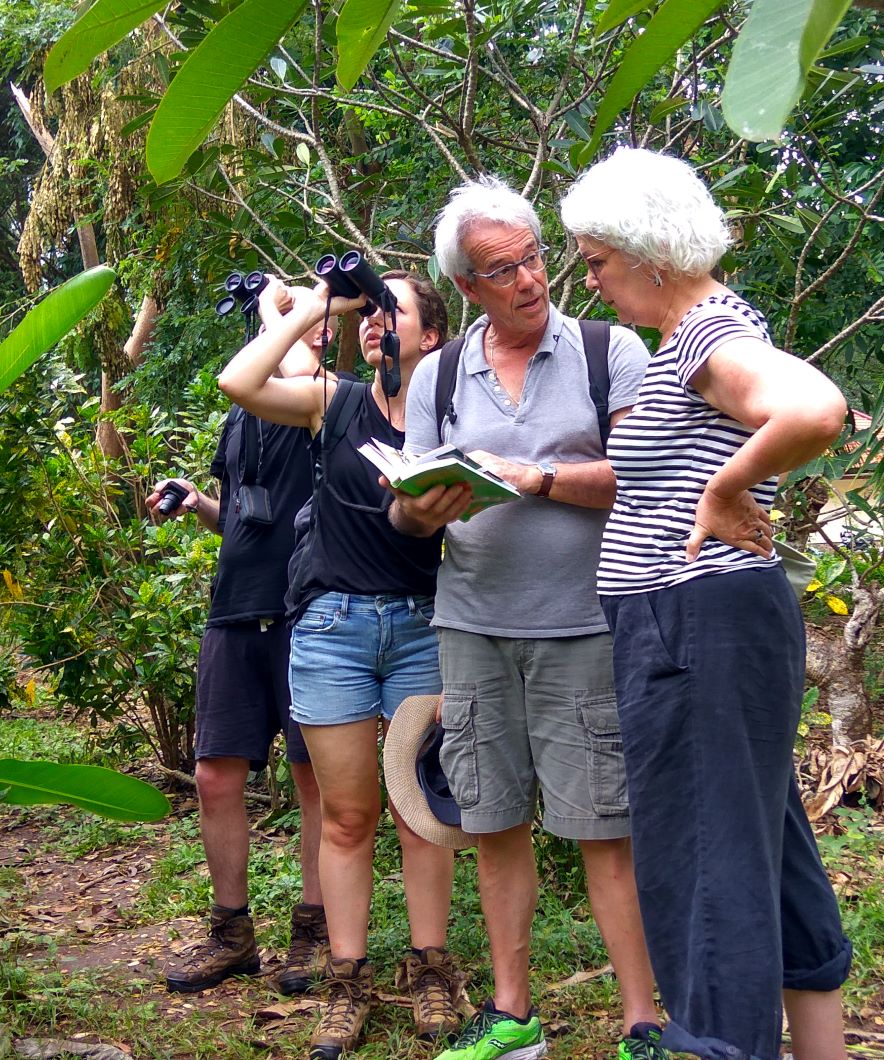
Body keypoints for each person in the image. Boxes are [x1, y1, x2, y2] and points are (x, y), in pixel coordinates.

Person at [560, 147, 854, 1060]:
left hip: (694, 627)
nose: (590, 280)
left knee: (704, 877)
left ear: (647, 254)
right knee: (767, 859)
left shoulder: (706, 335)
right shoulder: (702, 334)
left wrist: (726, 491)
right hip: (706, 626)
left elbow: (813, 408)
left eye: (596, 261)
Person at [387, 177, 667, 1060]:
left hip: (581, 627)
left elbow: (641, 475)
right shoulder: (436, 374)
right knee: (493, 821)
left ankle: (641, 1023)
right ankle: (512, 1016)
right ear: (465, 287)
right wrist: (418, 511)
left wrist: (534, 475)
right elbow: (405, 505)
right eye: (502, 269)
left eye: (534, 257)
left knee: (601, 827)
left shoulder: (603, 350)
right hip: (471, 626)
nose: (529, 280)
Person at [218, 271, 469, 1059]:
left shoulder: (457, 411)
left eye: (392, 310)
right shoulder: (337, 401)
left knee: (420, 812)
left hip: (425, 626)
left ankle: (432, 969)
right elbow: (241, 380)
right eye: (370, 309)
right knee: (349, 814)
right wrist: (319, 307)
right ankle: (345, 978)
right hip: (332, 627)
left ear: (432, 335)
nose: (374, 321)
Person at [147, 290, 328, 999]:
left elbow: (301, 362)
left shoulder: (318, 402)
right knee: (217, 777)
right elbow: (242, 521)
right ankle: (232, 933)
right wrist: (198, 505)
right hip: (234, 610)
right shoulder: (238, 421)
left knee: (313, 780)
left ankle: (314, 930)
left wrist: (281, 309)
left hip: (304, 610)